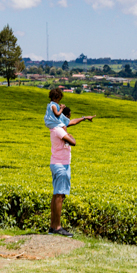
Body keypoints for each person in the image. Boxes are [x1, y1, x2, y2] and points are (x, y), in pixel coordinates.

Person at [46, 91, 93, 237]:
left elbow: (72, 122)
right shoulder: (59, 130)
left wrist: (84, 118)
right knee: (59, 196)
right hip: (60, 165)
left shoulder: (58, 127)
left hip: (60, 164)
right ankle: (58, 227)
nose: (69, 120)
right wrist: (70, 135)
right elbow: (73, 142)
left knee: (57, 195)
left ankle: (53, 227)